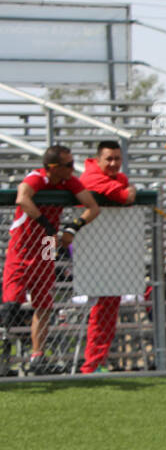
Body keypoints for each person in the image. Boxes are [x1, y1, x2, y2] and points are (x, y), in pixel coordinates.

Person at [3, 145, 101, 374]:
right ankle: (6, 345)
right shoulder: (36, 177)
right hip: (23, 243)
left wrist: (72, 228)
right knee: (11, 303)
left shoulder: (69, 182)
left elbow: (92, 207)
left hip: (47, 244)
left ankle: (37, 355)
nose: (72, 168)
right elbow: (23, 199)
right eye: (68, 165)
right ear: (54, 167)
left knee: (44, 300)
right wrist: (47, 225)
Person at [77, 140, 138, 373]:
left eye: (117, 159)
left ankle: (98, 361)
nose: (113, 164)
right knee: (101, 309)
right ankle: (92, 363)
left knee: (109, 306)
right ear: (98, 159)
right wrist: (127, 191)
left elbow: (124, 188)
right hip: (89, 252)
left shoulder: (114, 177)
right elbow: (126, 196)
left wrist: (125, 189)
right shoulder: (92, 177)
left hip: (110, 252)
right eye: (108, 159)